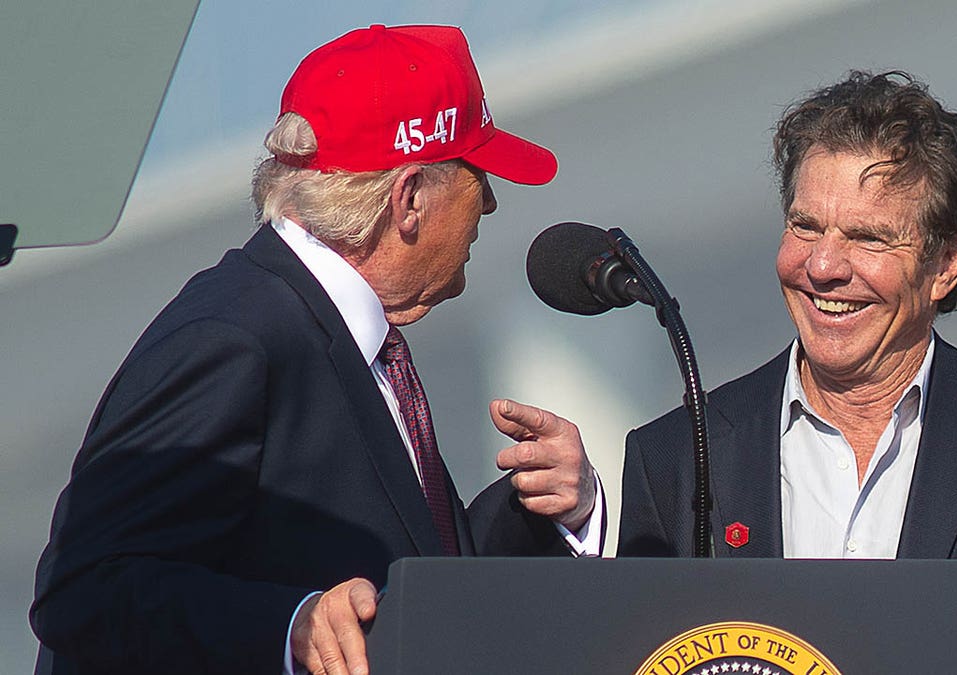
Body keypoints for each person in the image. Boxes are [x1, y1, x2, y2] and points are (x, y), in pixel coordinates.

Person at [31, 24, 600, 675]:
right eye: (477, 175)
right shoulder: (234, 335)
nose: (492, 202)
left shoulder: (349, 341)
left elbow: (412, 589)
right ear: (408, 199)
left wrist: (544, 506)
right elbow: (84, 591)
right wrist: (290, 627)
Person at [617, 71, 957, 673]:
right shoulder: (673, 456)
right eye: (805, 226)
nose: (822, 265)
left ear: (947, 262)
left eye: (867, 238)